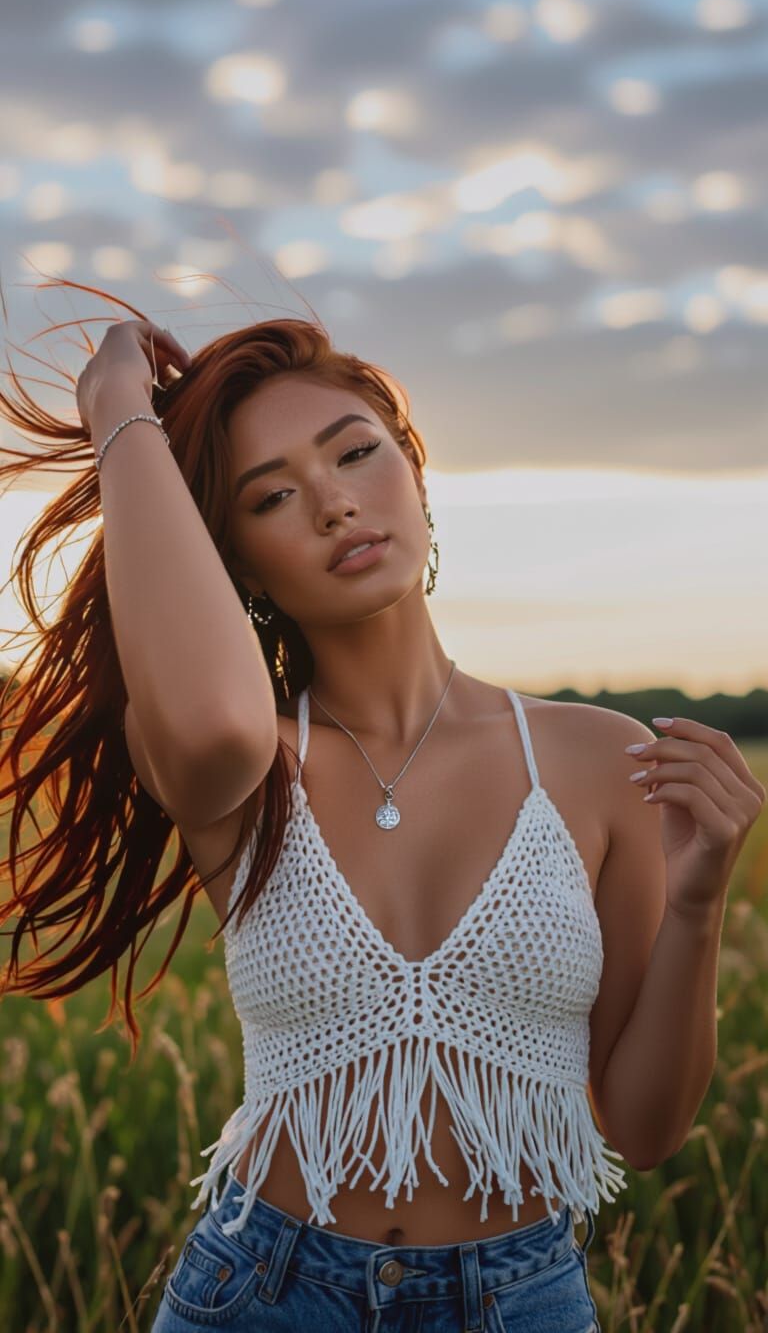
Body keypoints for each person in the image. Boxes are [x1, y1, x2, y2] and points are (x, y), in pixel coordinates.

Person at [3, 310, 761, 1332]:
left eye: (356, 452)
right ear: (238, 563)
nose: (333, 503)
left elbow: (648, 1124)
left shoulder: (593, 759)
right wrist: (117, 407)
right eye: (270, 496)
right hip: (262, 1293)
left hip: (523, 1298)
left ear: (414, 469)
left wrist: (700, 901)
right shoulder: (245, 763)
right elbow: (219, 713)